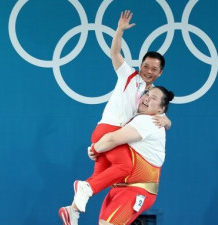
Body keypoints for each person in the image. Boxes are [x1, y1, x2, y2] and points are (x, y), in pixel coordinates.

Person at [59, 10, 169, 225]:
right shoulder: (129, 75)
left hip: (115, 136)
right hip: (111, 130)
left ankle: (72, 211)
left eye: (153, 69)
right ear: (141, 65)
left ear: (160, 73)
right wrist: (119, 30)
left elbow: (161, 117)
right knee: (124, 169)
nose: (148, 71)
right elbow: (115, 53)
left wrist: (167, 121)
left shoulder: (153, 95)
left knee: (100, 175)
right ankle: (85, 188)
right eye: (146, 66)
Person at [92, 86, 174, 225]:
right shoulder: (139, 118)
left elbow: (111, 139)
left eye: (153, 98)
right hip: (121, 188)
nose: (147, 98)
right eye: (146, 94)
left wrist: (95, 149)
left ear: (161, 109)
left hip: (135, 190)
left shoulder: (149, 121)